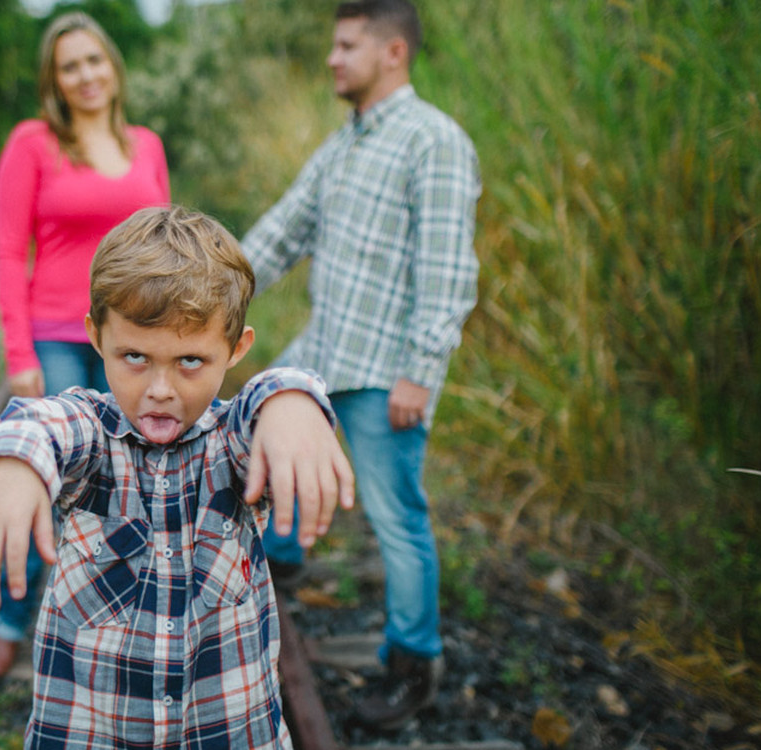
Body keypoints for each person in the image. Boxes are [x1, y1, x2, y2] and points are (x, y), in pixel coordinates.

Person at [0, 205, 355, 748]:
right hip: (93, 733)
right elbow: (45, 423)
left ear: (236, 349)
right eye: (135, 356)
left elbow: (267, 397)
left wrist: (291, 402)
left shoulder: (233, 445)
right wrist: (12, 463)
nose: (160, 390)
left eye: (190, 361)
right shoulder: (94, 435)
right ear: (96, 337)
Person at [239, 0, 481, 731]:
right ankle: (279, 559)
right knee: (257, 426)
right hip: (325, 350)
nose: (332, 58)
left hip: (385, 369)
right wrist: (209, 287)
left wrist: (422, 370)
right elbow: (283, 230)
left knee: (395, 518)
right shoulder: (343, 143)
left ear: (392, 52)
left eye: (347, 46)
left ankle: (414, 662)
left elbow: (448, 268)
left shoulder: (433, 140)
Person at [0, 11, 171, 677]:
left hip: (133, 340)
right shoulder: (33, 144)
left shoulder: (147, 145)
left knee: (130, 480)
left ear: (112, 67)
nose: (85, 75)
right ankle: (11, 616)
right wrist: (19, 356)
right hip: (58, 335)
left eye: (94, 60)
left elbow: (166, 247)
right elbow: (11, 254)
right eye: (70, 66)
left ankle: (110, 626)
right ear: (54, 81)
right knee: (52, 476)